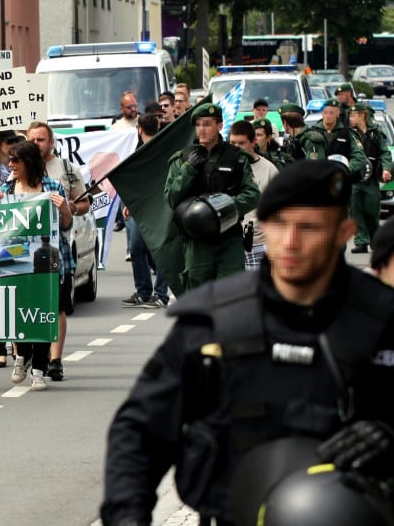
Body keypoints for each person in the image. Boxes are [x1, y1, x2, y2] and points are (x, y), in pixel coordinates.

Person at [100, 160, 394, 526]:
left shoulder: (383, 318)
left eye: (309, 228)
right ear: (263, 228)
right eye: (280, 225)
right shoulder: (215, 321)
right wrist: (127, 516)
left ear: (344, 233)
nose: (291, 242)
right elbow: (141, 430)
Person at [0, 140, 73, 392]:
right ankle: (21, 357)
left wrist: (64, 208)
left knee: (43, 316)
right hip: (16, 262)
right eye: (10, 160)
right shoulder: (8, 188)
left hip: (47, 262)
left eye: (15, 161)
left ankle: (39, 370)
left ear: (28, 163)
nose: (10, 165)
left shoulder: (52, 186)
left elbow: (66, 225)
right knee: (20, 315)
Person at [165, 103, 260, 291]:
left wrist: (223, 208)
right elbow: (171, 198)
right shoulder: (182, 159)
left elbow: (252, 195)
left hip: (229, 238)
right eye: (198, 124)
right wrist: (188, 170)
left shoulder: (236, 157)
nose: (202, 129)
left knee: (231, 294)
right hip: (198, 243)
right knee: (199, 298)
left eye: (207, 124)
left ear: (219, 125)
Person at [27, 120, 89, 380]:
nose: (36, 144)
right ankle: (29, 352)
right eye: (32, 140)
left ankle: (55, 359)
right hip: (27, 251)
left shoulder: (66, 170)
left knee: (58, 306)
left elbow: (84, 203)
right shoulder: (19, 171)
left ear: (51, 142)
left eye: (41, 139)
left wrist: (68, 207)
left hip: (57, 247)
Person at [121, 114, 171, 308]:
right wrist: (129, 203)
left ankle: (161, 294)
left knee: (158, 251)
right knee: (136, 248)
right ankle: (143, 292)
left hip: (158, 208)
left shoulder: (161, 148)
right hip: (140, 207)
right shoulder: (137, 149)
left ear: (139, 129)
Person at [229, 120, 279, 269]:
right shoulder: (223, 167)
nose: (236, 148)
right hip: (230, 243)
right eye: (232, 143)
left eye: (241, 143)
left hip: (258, 243)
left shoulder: (269, 170)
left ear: (253, 141)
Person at [350, 102, 392, 253]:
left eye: (354, 115)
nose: (351, 118)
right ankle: (361, 241)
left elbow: (385, 152)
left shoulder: (375, 133)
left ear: (363, 116)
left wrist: (386, 169)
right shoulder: (348, 134)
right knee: (356, 210)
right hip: (354, 178)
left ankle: (375, 239)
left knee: (371, 209)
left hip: (371, 179)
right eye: (350, 115)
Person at [302, 99, 368, 181]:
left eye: (331, 113)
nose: (328, 116)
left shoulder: (347, 133)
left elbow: (359, 157)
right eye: (325, 113)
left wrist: (346, 170)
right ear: (322, 114)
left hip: (341, 180)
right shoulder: (312, 133)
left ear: (338, 114)